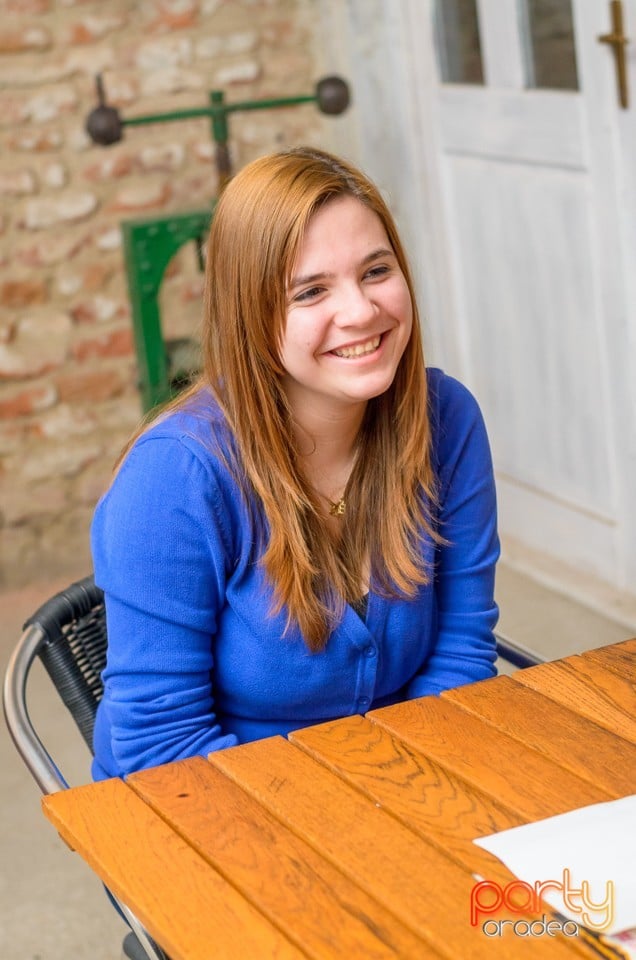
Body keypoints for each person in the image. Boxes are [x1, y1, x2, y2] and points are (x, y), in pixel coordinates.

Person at [90, 146, 500, 781]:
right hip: (214, 814)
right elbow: (159, 754)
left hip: (406, 794)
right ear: (250, 315)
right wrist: (356, 813)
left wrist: (413, 794)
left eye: (376, 271)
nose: (362, 312)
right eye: (310, 291)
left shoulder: (445, 419)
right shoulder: (172, 481)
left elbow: (461, 651)